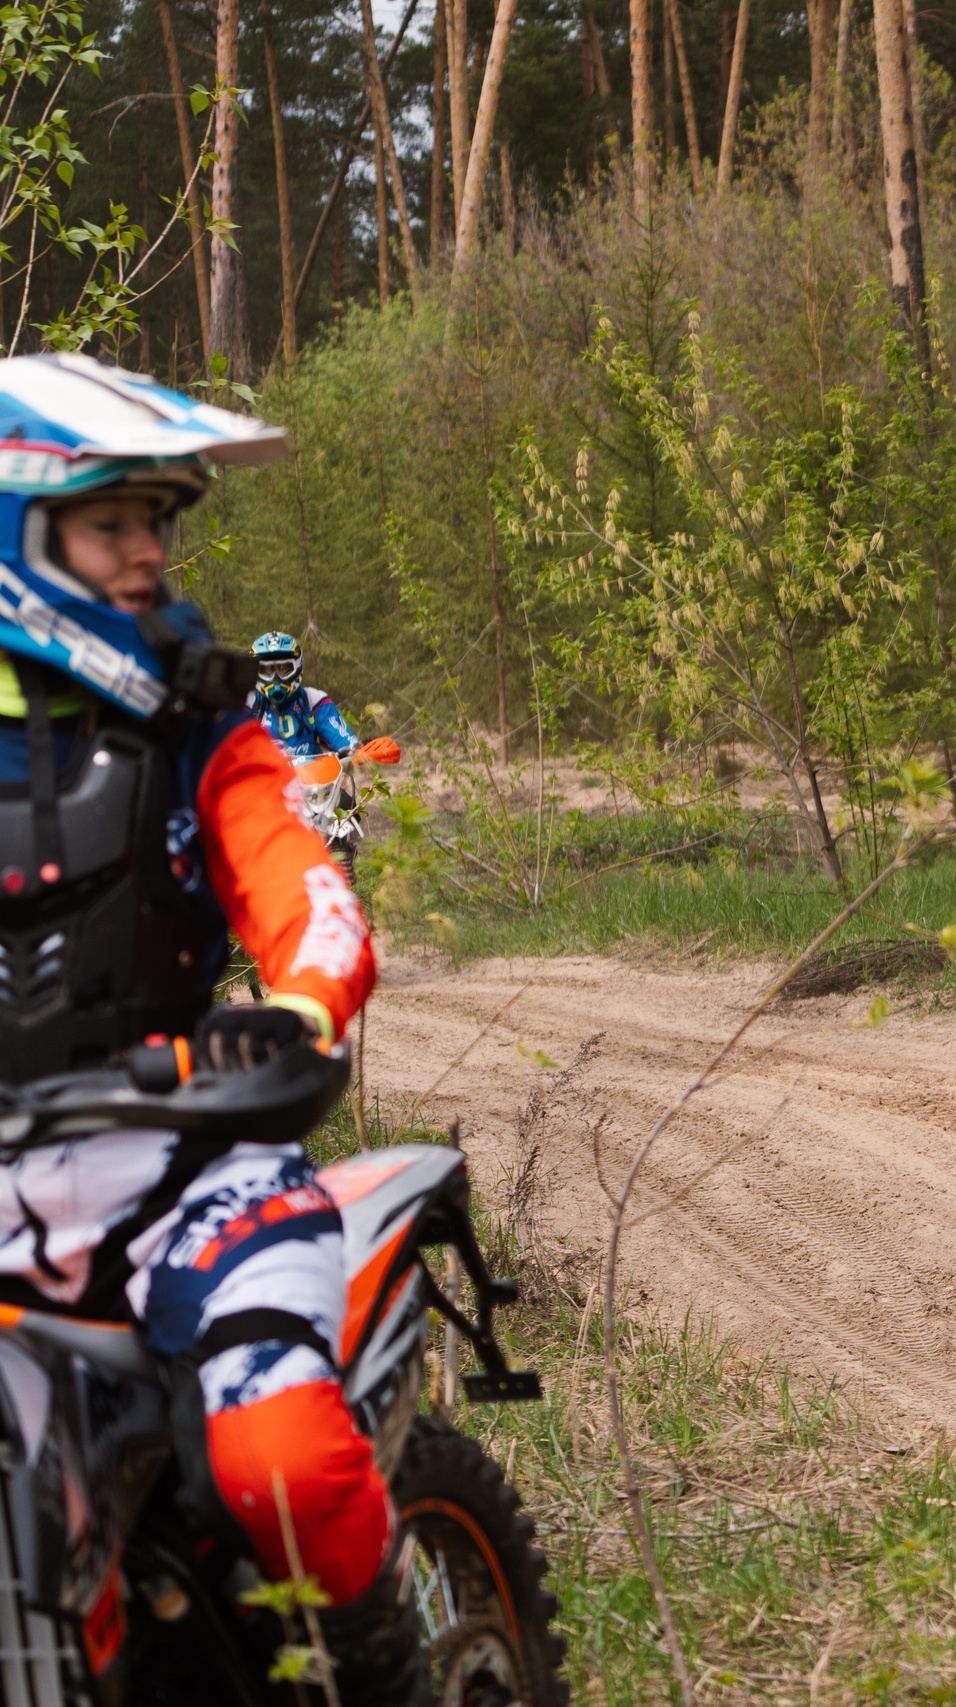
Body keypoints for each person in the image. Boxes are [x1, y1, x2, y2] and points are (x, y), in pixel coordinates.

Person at [0, 356, 423, 1701]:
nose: (147, 552)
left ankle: (390, 1667)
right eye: (112, 521)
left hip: (186, 1163)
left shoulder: (213, 731)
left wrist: (297, 1004)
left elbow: (305, 887)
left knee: (279, 1452)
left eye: (159, 522)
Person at [250, 629, 359, 761]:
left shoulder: (313, 700)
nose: (276, 678)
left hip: (312, 779)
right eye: (268, 670)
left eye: (283, 668)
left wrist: (366, 750)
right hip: (262, 778)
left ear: (297, 665)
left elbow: (346, 741)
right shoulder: (249, 703)